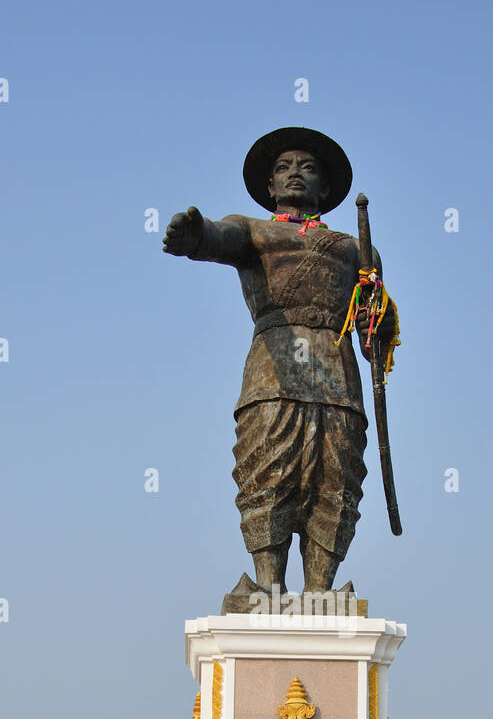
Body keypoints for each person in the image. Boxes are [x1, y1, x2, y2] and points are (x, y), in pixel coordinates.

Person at [163, 127, 397, 604]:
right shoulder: (254, 231)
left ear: (325, 189)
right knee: (267, 469)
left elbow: (377, 336)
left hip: (337, 373)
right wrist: (197, 236)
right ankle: (268, 582)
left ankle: (320, 590)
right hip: (274, 369)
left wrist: (376, 318)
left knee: (337, 476)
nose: (294, 174)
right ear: (269, 185)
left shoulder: (358, 251)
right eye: (284, 168)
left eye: (307, 168)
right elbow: (220, 238)